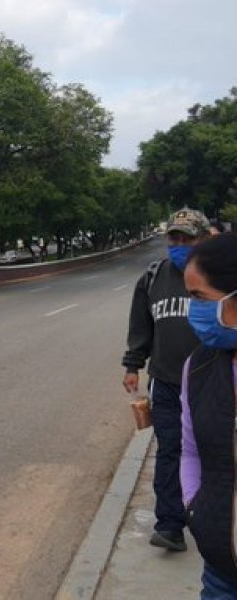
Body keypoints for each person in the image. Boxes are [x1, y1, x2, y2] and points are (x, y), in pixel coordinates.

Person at [121, 208, 210, 552]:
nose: (180, 243)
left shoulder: (217, 275)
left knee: (213, 453)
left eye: (188, 238)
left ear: (202, 238)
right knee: (169, 451)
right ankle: (170, 525)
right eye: (174, 237)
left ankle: (209, 520)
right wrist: (132, 365)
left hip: (210, 383)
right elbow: (141, 327)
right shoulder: (153, 277)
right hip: (167, 383)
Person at [180, 233, 237, 598]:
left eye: (199, 297)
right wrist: (194, 508)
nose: (193, 310)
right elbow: (190, 451)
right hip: (221, 572)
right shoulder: (198, 366)